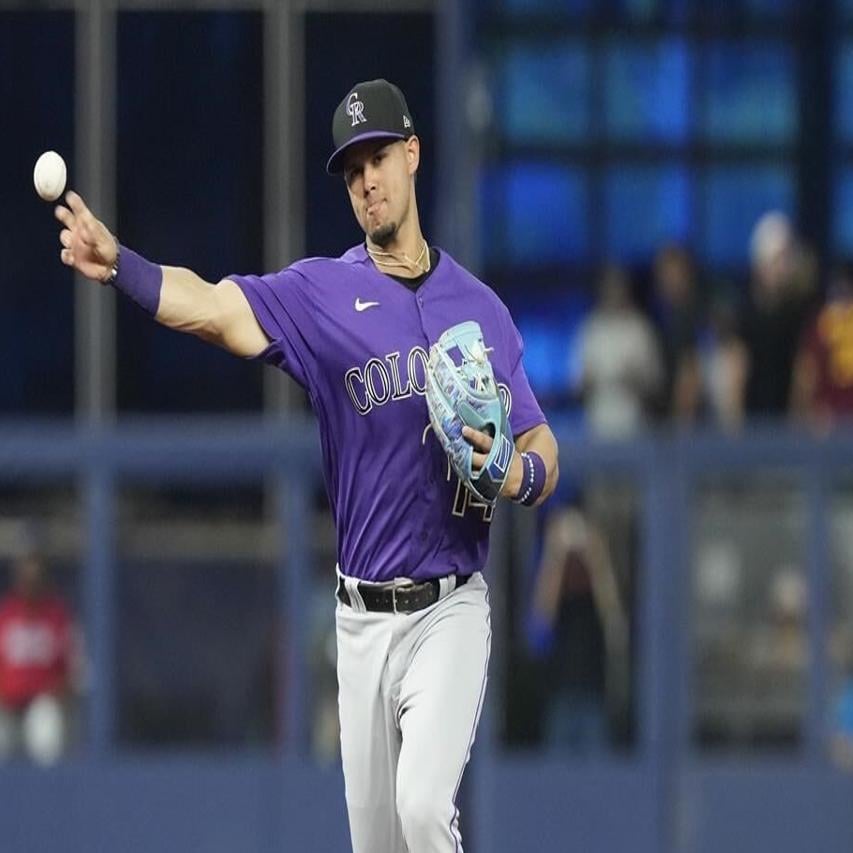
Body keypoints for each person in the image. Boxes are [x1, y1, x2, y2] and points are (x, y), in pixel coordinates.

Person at [53, 78, 558, 852]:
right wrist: (123, 263)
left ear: (412, 155)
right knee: (379, 844)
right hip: (360, 621)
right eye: (352, 169)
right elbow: (215, 308)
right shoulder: (323, 292)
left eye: (378, 158)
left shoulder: (480, 307)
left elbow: (540, 444)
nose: (366, 181)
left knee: (426, 810)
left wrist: (518, 476)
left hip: (450, 608)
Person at [0, 549, 77, 764]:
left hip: (43, 702)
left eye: (35, 579)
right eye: (26, 579)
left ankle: (47, 791)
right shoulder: (6, 614)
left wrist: (56, 692)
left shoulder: (57, 616)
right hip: (7, 703)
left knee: (44, 720)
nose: (30, 585)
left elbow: (71, 669)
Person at [790, 260, 853, 431]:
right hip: (827, 419)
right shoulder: (822, 323)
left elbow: (806, 374)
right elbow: (807, 373)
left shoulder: (822, 322)